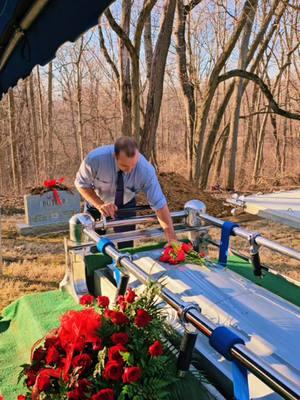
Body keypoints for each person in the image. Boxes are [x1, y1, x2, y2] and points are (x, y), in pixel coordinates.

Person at [74, 136, 178, 249]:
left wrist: (171, 238)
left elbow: (159, 205)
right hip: (96, 203)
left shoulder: (146, 170)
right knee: (93, 246)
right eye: (124, 166)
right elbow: (81, 184)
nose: (129, 171)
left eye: (133, 165)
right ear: (115, 155)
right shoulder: (94, 159)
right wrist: (100, 204)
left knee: (126, 247)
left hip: (126, 205)